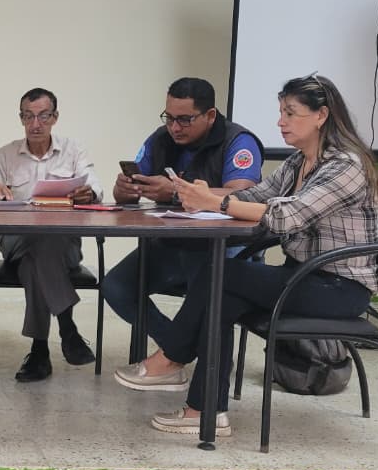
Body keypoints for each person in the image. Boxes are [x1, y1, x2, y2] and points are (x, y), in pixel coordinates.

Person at [118, 74, 378, 436]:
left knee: (223, 274)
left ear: (321, 115)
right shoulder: (298, 162)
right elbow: (254, 196)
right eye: (281, 112)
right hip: (302, 275)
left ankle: (171, 358)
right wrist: (203, 196)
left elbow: (288, 216)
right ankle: (204, 412)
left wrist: (215, 203)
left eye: (290, 113)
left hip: (338, 288)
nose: (281, 122)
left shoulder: (345, 166)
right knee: (222, 294)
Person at [101, 77, 263, 390]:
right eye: (169, 118)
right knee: (116, 286)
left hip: (222, 245)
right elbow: (133, 189)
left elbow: (242, 196)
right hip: (172, 242)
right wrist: (125, 190)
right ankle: (180, 348)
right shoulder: (160, 139)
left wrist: (176, 191)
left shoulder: (238, 141)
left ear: (210, 115)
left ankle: (183, 357)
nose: (175, 127)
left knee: (208, 282)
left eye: (185, 119)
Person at [0, 88, 101, 382]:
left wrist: (88, 193)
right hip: (16, 241)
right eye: (28, 116)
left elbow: (96, 188)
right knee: (37, 243)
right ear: (21, 118)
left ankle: (39, 352)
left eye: (43, 116)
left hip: (64, 244)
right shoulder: (5, 155)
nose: (35, 124)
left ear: (55, 117)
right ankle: (67, 329)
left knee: (36, 259)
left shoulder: (74, 151)